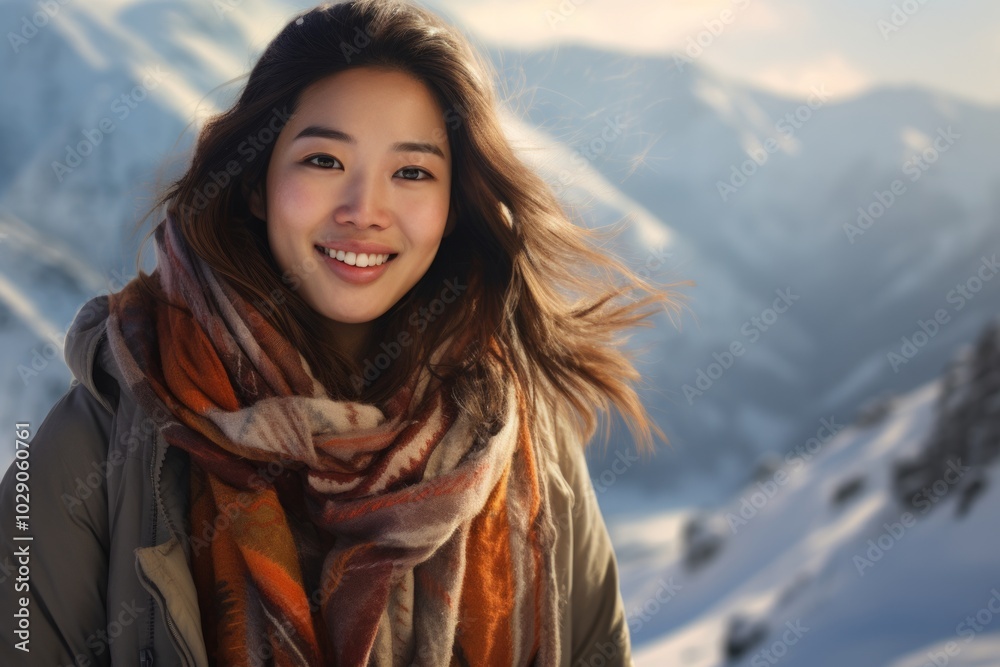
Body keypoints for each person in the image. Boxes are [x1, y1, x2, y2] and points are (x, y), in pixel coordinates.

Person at [0, 1, 685, 664]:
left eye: (412, 172)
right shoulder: (97, 442)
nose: (365, 210)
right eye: (324, 161)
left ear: (453, 206)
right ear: (255, 180)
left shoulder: (524, 443)